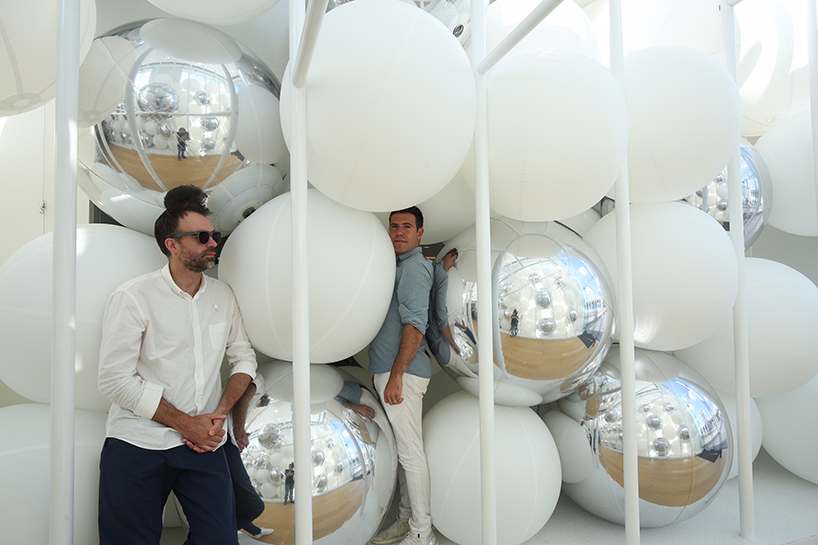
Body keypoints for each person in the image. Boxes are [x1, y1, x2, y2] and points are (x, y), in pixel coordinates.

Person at [97, 185, 257, 545]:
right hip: (136, 443)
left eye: (214, 235)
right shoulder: (133, 297)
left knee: (219, 540)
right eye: (202, 237)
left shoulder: (223, 296)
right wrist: (188, 425)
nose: (213, 243)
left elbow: (244, 358)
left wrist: (219, 415)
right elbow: (114, 381)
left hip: (205, 446)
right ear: (172, 245)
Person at [370, 207, 436, 545]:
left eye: (406, 227)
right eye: (394, 226)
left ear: (420, 233)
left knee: (411, 454)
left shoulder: (414, 268)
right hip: (390, 372)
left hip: (403, 376)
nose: (398, 232)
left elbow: (416, 325)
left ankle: (422, 533)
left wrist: (396, 376)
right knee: (403, 451)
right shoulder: (396, 265)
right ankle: (406, 519)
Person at [226, 382, 274, 540]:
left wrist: (240, 432)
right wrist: (238, 433)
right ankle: (223, 533)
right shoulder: (259, 379)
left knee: (233, 498)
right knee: (253, 506)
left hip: (225, 441)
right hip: (224, 443)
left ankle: (255, 531)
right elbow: (246, 393)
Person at [425, 248, 460, 367]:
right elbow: (440, 315)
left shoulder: (433, 270)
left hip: (429, 336)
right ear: (448, 256)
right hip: (438, 341)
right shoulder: (443, 277)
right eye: (453, 260)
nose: (452, 265)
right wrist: (453, 343)